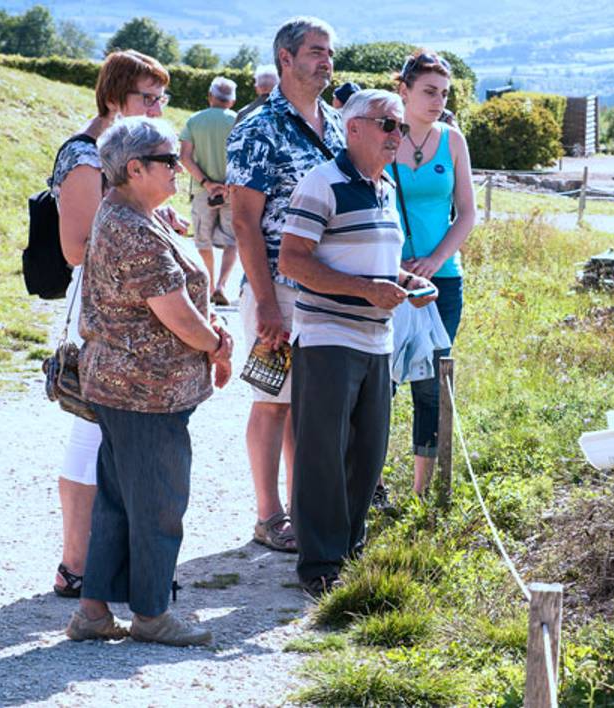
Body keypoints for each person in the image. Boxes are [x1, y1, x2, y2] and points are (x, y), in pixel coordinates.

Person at [66, 116, 233, 646]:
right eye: (167, 160)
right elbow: (177, 316)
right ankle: (152, 614)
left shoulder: (137, 214)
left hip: (128, 388)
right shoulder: (132, 227)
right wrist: (217, 344)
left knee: (118, 501)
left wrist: (212, 333)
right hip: (144, 392)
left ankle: (93, 613)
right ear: (134, 169)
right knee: (160, 503)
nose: (178, 167)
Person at [276, 89, 437, 595]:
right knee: (323, 451)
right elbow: (293, 262)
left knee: (367, 452)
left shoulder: (386, 187)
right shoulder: (321, 183)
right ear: (355, 128)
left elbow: (375, 262)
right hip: (327, 335)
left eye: (400, 128)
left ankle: (347, 550)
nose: (398, 136)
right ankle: (319, 565)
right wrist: (367, 290)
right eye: (388, 125)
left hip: (377, 339)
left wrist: (406, 283)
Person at [46, 49, 175, 600]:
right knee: (90, 427)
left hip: (122, 304)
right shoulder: (84, 157)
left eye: (162, 97)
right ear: (115, 97)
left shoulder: (122, 154)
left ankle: (100, 564)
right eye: (148, 97)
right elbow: (76, 248)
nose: (157, 107)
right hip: (100, 306)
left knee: (106, 431)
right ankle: (75, 564)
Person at [226, 17, 347, 554]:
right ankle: (268, 515)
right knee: (273, 398)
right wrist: (267, 301)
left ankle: (305, 508)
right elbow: (245, 221)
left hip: (330, 286)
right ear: (285, 59)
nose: (326, 61)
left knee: (309, 403)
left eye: (329, 52)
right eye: (316, 52)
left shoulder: (338, 125)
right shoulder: (257, 127)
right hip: (277, 285)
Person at [388, 50, 477, 497]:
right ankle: (370, 485)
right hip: (384, 277)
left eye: (443, 93)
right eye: (428, 91)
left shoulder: (452, 140)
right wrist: (394, 263)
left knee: (430, 384)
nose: (437, 101)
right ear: (403, 90)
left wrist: (435, 260)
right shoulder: (381, 136)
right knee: (379, 385)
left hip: (441, 282)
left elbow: (466, 214)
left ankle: (422, 493)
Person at [181, 77, 239, 305]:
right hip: (231, 191)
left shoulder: (194, 120)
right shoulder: (238, 121)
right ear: (232, 100)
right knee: (233, 240)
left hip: (203, 190)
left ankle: (210, 284)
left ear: (210, 96)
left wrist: (206, 183)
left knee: (202, 240)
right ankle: (222, 286)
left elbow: (184, 157)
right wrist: (228, 185)